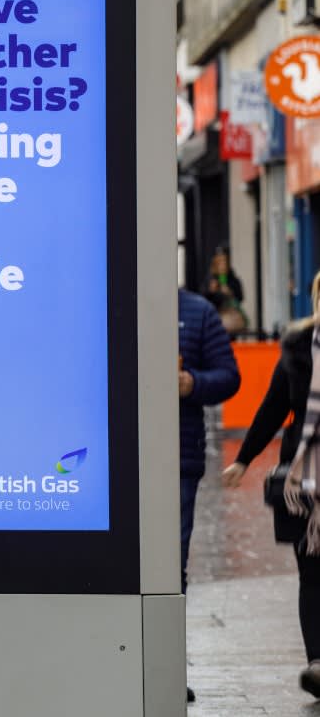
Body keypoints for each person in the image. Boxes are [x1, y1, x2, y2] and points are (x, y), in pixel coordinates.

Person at [223, 268, 320, 698]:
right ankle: (318, 662)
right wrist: (243, 459)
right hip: (305, 485)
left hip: (306, 479)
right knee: (312, 574)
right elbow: (273, 407)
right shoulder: (298, 350)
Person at [178, 287, 240, 703]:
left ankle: (163, 665)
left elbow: (229, 376)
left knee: (170, 566)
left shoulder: (197, 312)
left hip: (178, 460)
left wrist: (191, 383)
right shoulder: (107, 298)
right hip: (113, 461)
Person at [204, 247, 246, 335]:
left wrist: (230, 293)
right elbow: (204, 299)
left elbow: (240, 297)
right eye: (220, 262)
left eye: (224, 262)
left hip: (231, 318)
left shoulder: (232, 279)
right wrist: (211, 292)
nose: (222, 265)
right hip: (215, 316)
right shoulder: (210, 279)